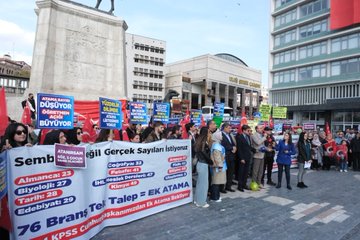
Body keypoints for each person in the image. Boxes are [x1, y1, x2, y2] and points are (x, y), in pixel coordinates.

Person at [0, 122, 32, 240]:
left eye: (24, 131)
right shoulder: (5, 150)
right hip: (11, 195)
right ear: (12, 133)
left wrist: (31, 152)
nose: (22, 134)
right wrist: (3, 153)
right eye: (19, 132)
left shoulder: (29, 147)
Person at [194, 127, 212, 208]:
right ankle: (201, 202)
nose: (209, 133)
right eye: (208, 132)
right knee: (204, 184)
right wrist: (210, 161)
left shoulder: (198, 141)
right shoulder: (204, 142)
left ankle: (197, 200)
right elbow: (204, 153)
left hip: (200, 163)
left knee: (200, 183)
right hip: (203, 164)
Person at [209, 130, 226, 202]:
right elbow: (217, 157)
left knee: (217, 182)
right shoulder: (216, 146)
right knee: (216, 182)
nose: (222, 136)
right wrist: (220, 166)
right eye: (221, 135)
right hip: (218, 167)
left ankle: (216, 196)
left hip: (219, 166)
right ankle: (215, 197)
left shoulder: (217, 144)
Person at [236, 125, 253, 192]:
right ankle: (240, 186)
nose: (249, 132)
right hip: (242, 158)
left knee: (246, 172)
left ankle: (244, 184)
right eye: (248, 130)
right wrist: (241, 158)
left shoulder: (248, 137)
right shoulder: (240, 137)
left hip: (248, 156)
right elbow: (239, 149)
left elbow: (249, 146)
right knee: (241, 172)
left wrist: (254, 150)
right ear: (243, 130)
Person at [221, 122, 236, 192]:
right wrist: (231, 148)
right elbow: (223, 145)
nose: (230, 129)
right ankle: (222, 187)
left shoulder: (229, 135)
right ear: (225, 128)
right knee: (225, 173)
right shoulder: (221, 135)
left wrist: (234, 148)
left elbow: (233, 143)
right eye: (229, 128)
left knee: (231, 172)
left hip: (232, 156)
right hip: (226, 156)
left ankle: (228, 186)